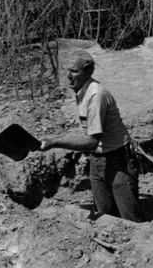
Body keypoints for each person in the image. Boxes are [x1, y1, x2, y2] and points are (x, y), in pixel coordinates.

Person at [39, 49, 141, 222]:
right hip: (97, 160)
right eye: (67, 70)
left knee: (129, 217)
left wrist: (55, 142)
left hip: (118, 161)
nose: (68, 77)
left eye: (74, 71)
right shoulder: (82, 92)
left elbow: (93, 141)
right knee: (105, 217)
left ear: (88, 70)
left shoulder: (96, 95)